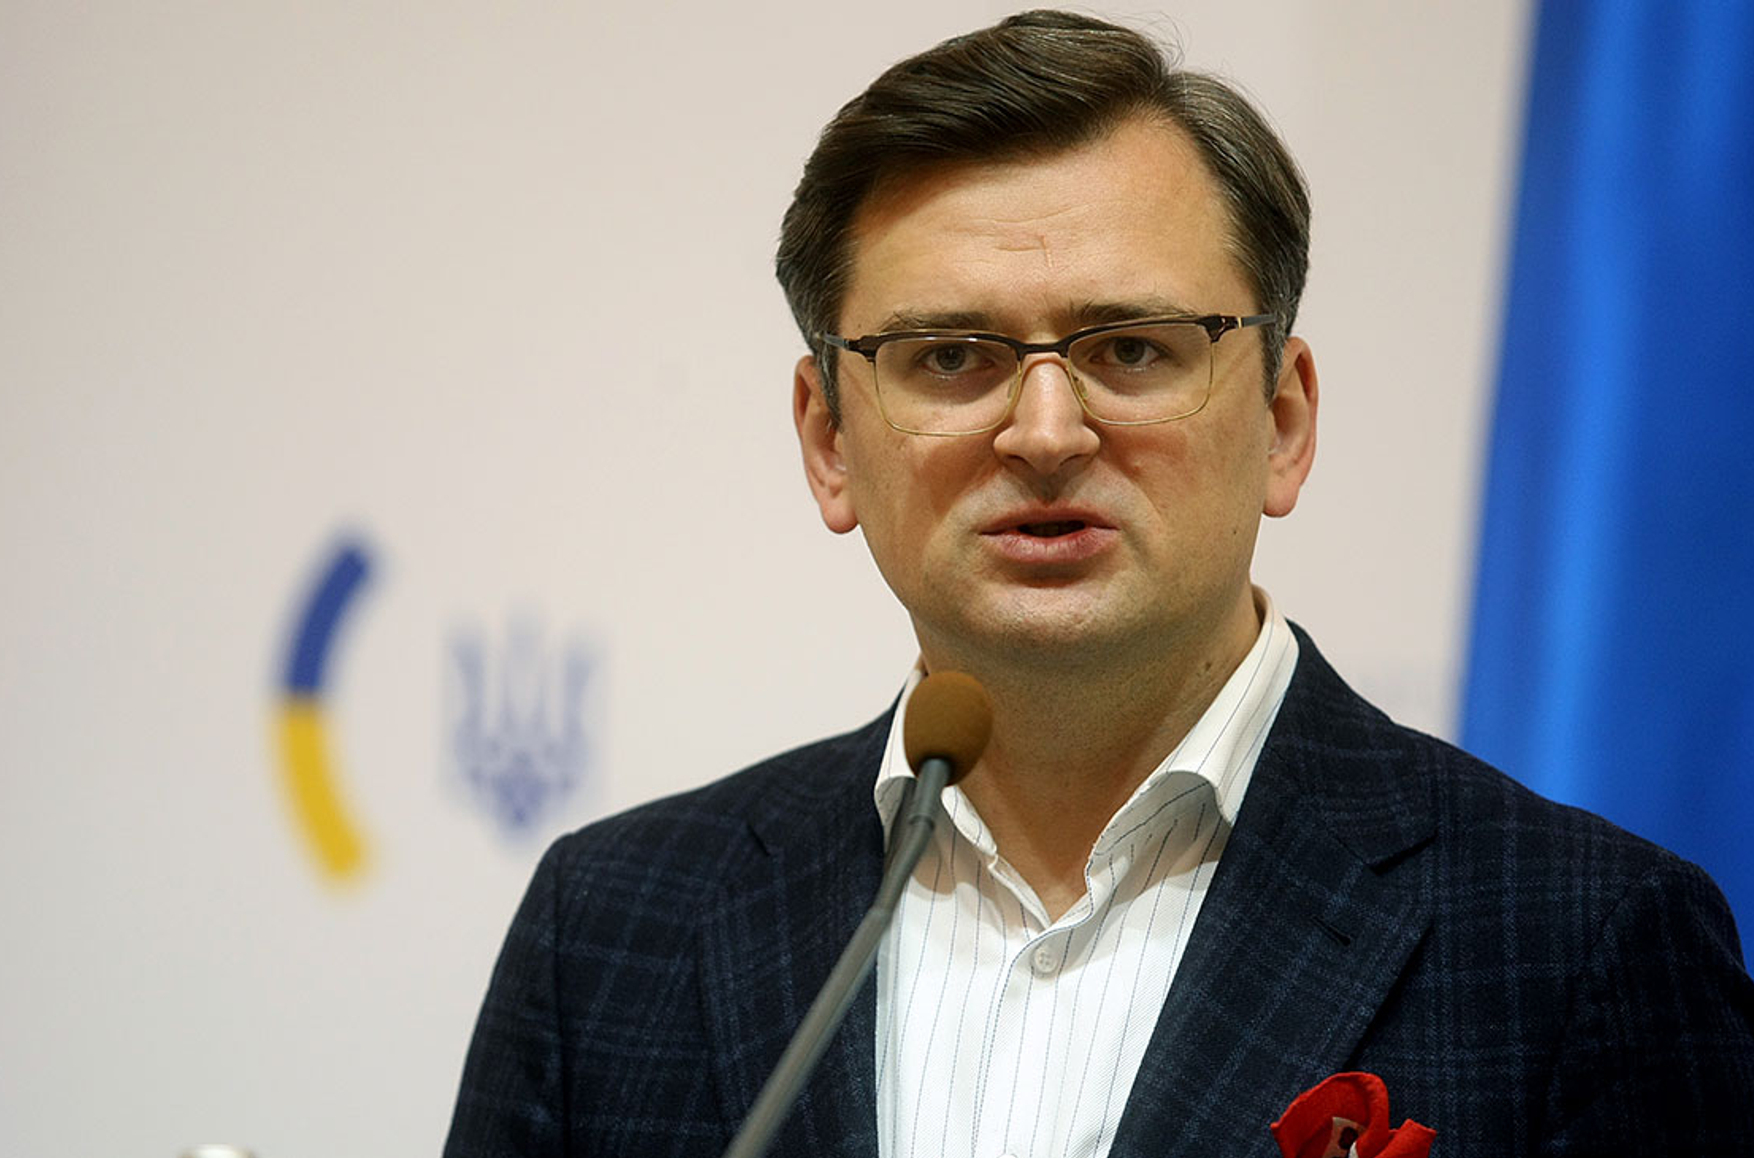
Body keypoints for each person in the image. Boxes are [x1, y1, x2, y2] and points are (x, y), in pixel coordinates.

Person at [444, 11, 1754, 1156]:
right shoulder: (610, 929)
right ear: (829, 440)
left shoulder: (1578, 940)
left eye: (1130, 348)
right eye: (949, 357)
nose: (1044, 432)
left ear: (1284, 420)